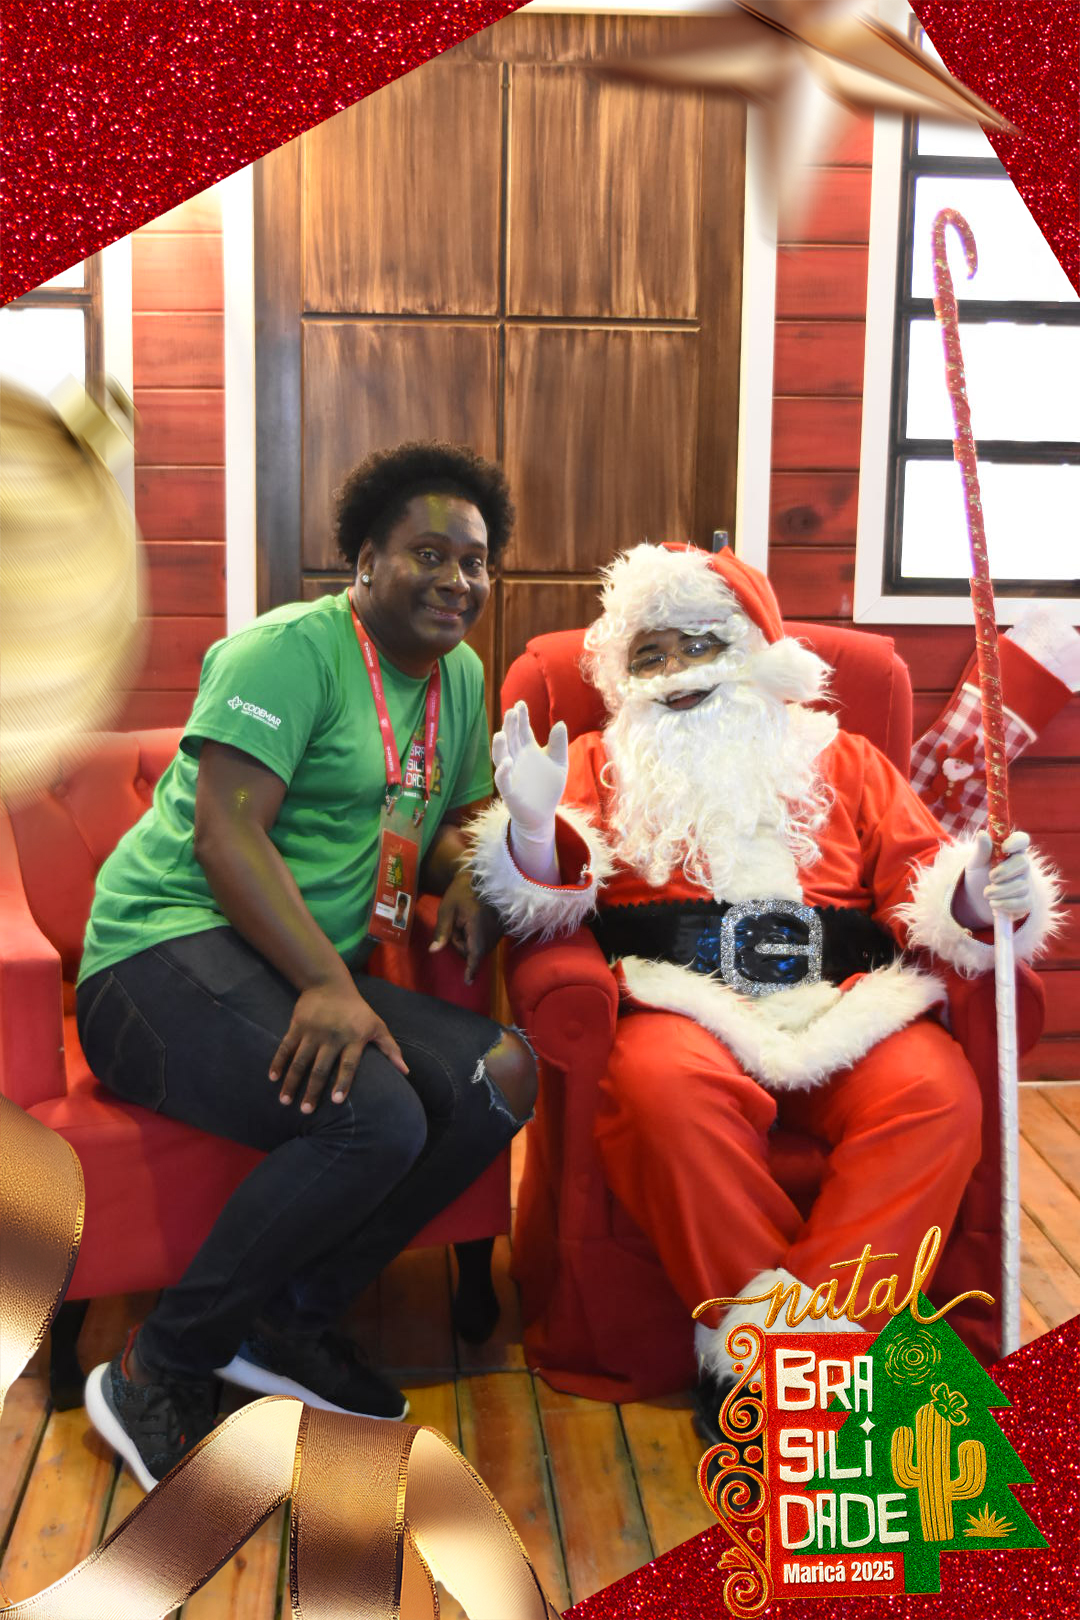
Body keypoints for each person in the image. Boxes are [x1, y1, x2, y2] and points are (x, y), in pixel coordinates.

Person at [468, 541, 1056, 1440]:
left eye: (699, 644)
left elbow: (924, 880)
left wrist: (979, 894)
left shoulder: (849, 759)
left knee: (936, 1095)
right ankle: (793, 1363)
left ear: (754, 650)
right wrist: (536, 830)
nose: (676, 671)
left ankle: (788, 1359)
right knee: (661, 1093)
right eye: (649, 655)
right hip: (680, 998)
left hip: (845, 1000)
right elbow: (552, 901)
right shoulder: (593, 758)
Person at [77, 440, 537, 1491]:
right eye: (429, 554)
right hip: (159, 954)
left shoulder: (460, 677)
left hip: (292, 965)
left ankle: (289, 1323)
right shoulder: (286, 652)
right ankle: (157, 1367)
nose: (457, 581)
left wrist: (471, 869)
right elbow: (226, 834)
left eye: (474, 561)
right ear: (365, 561)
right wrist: (329, 985)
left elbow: (455, 815)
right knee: (376, 1115)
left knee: (499, 1075)